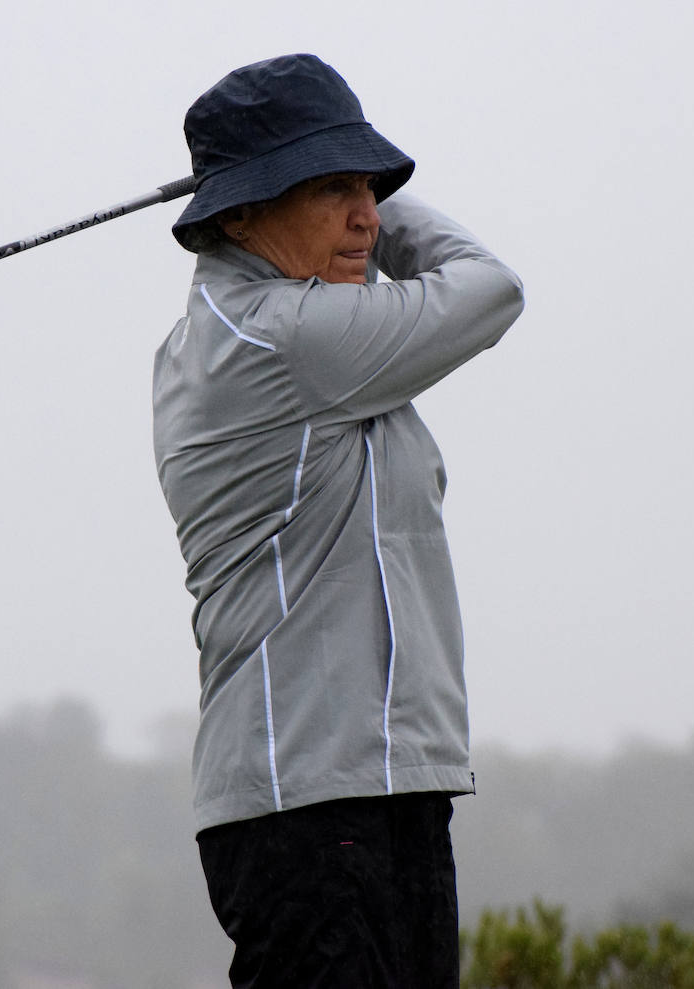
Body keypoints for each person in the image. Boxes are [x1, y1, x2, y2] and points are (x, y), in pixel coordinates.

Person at [152, 54, 525, 987]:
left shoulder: (319, 336)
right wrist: (381, 220)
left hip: (392, 787)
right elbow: (489, 284)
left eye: (374, 186)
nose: (368, 213)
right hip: (305, 806)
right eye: (333, 187)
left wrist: (333, 193)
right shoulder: (277, 340)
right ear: (240, 213)